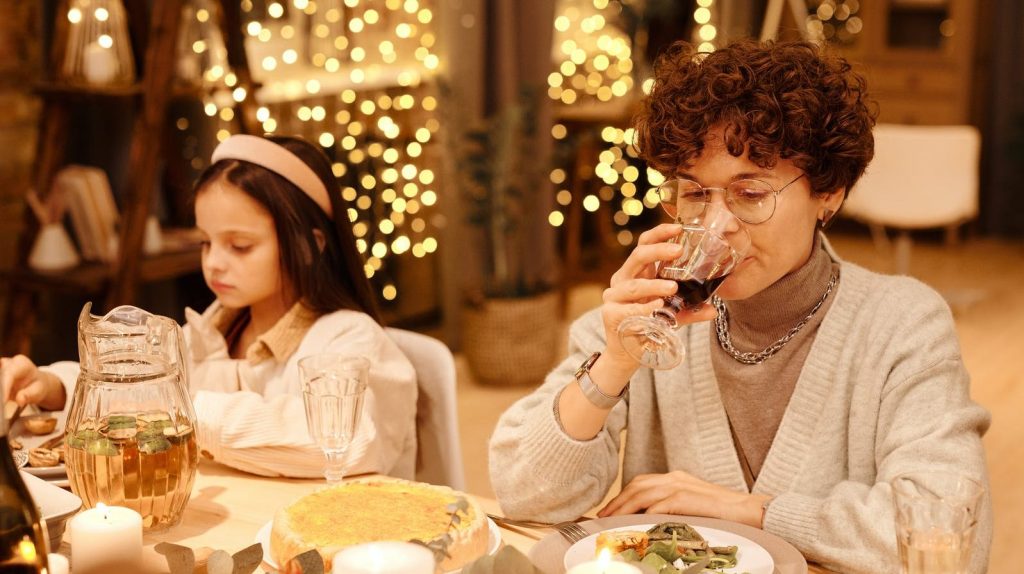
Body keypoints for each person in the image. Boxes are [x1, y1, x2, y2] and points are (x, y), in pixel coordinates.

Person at [489, 39, 992, 572]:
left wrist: (750, 512)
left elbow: (951, 536)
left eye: (750, 195)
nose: (716, 226)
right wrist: (612, 365)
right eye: (694, 194)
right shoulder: (645, 315)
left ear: (830, 193)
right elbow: (527, 499)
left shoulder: (902, 324)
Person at [1, 134, 418, 479]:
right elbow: (135, 383)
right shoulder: (214, 330)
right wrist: (54, 386)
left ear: (310, 246)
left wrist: (177, 408)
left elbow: (347, 438)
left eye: (239, 245)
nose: (214, 261)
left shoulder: (348, 340)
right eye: (206, 242)